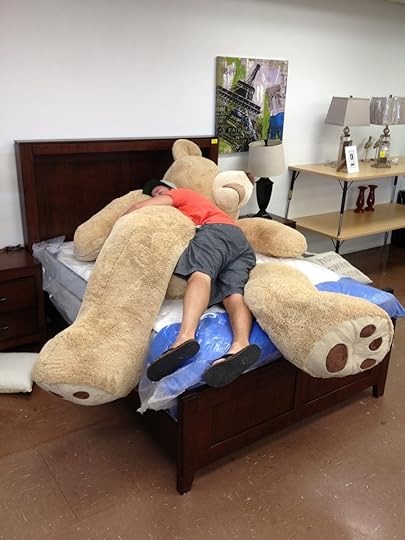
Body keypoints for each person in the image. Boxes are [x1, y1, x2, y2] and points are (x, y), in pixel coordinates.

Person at [123, 178, 261, 388]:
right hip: (241, 243)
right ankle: (240, 345)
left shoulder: (180, 194)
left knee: (200, 273)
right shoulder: (204, 205)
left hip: (215, 231)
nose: (157, 196)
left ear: (171, 189)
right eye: (154, 194)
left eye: (160, 191)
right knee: (233, 292)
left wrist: (118, 224)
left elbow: (140, 208)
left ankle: (185, 336)